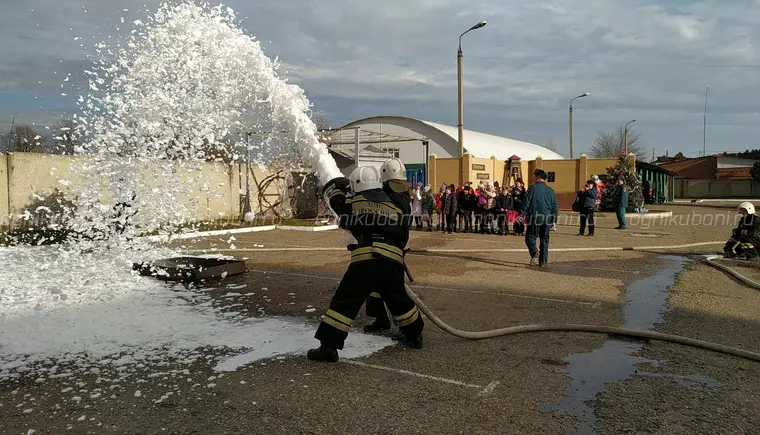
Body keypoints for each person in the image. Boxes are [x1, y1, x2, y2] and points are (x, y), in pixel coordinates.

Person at [308, 166, 424, 362]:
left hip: (366, 260)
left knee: (345, 301)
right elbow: (402, 235)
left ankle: (328, 347)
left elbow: (338, 204)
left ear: (356, 185)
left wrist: (335, 187)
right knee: (399, 300)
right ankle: (415, 335)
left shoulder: (354, 202)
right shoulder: (394, 207)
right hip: (392, 262)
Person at [363, 158, 412, 334]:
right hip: (390, 245)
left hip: (391, 246)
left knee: (394, 290)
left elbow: (389, 221)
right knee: (375, 286)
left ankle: (406, 327)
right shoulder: (402, 194)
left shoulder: (396, 198)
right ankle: (381, 319)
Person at [522, 169, 558, 267]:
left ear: (538, 178)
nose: (533, 178)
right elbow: (555, 206)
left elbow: (527, 202)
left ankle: (534, 252)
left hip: (535, 216)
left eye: (534, 177)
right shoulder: (551, 190)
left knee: (530, 238)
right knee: (544, 239)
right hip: (547, 218)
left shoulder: (532, 188)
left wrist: (521, 214)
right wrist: (554, 220)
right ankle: (543, 262)